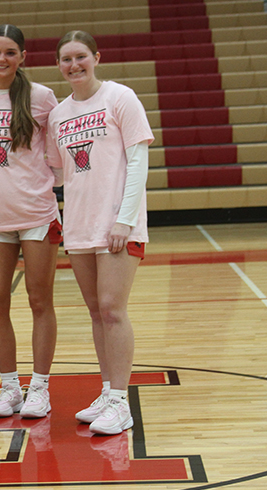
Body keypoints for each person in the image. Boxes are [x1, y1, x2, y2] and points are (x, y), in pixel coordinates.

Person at [46, 30, 154, 435]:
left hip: (117, 225)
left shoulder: (120, 97)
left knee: (112, 309)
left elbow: (138, 160)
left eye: (80, 57)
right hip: (79, 225)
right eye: (66, 59)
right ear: (59, 65)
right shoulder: (58, 114)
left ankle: (122, 402)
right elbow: (60, 172)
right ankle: (108, 391)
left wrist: (124, 220)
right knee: (96, 312)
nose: (74, 65)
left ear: (96, 57)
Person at [0, 24, 61, 419]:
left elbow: (58, 157)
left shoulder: (42, 97)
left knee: (39, 300)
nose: (1, 59)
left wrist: (36, 188)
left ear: (23, 57)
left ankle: (40, 387)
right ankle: (10, 388)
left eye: (9, 52)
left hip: (37, 214)